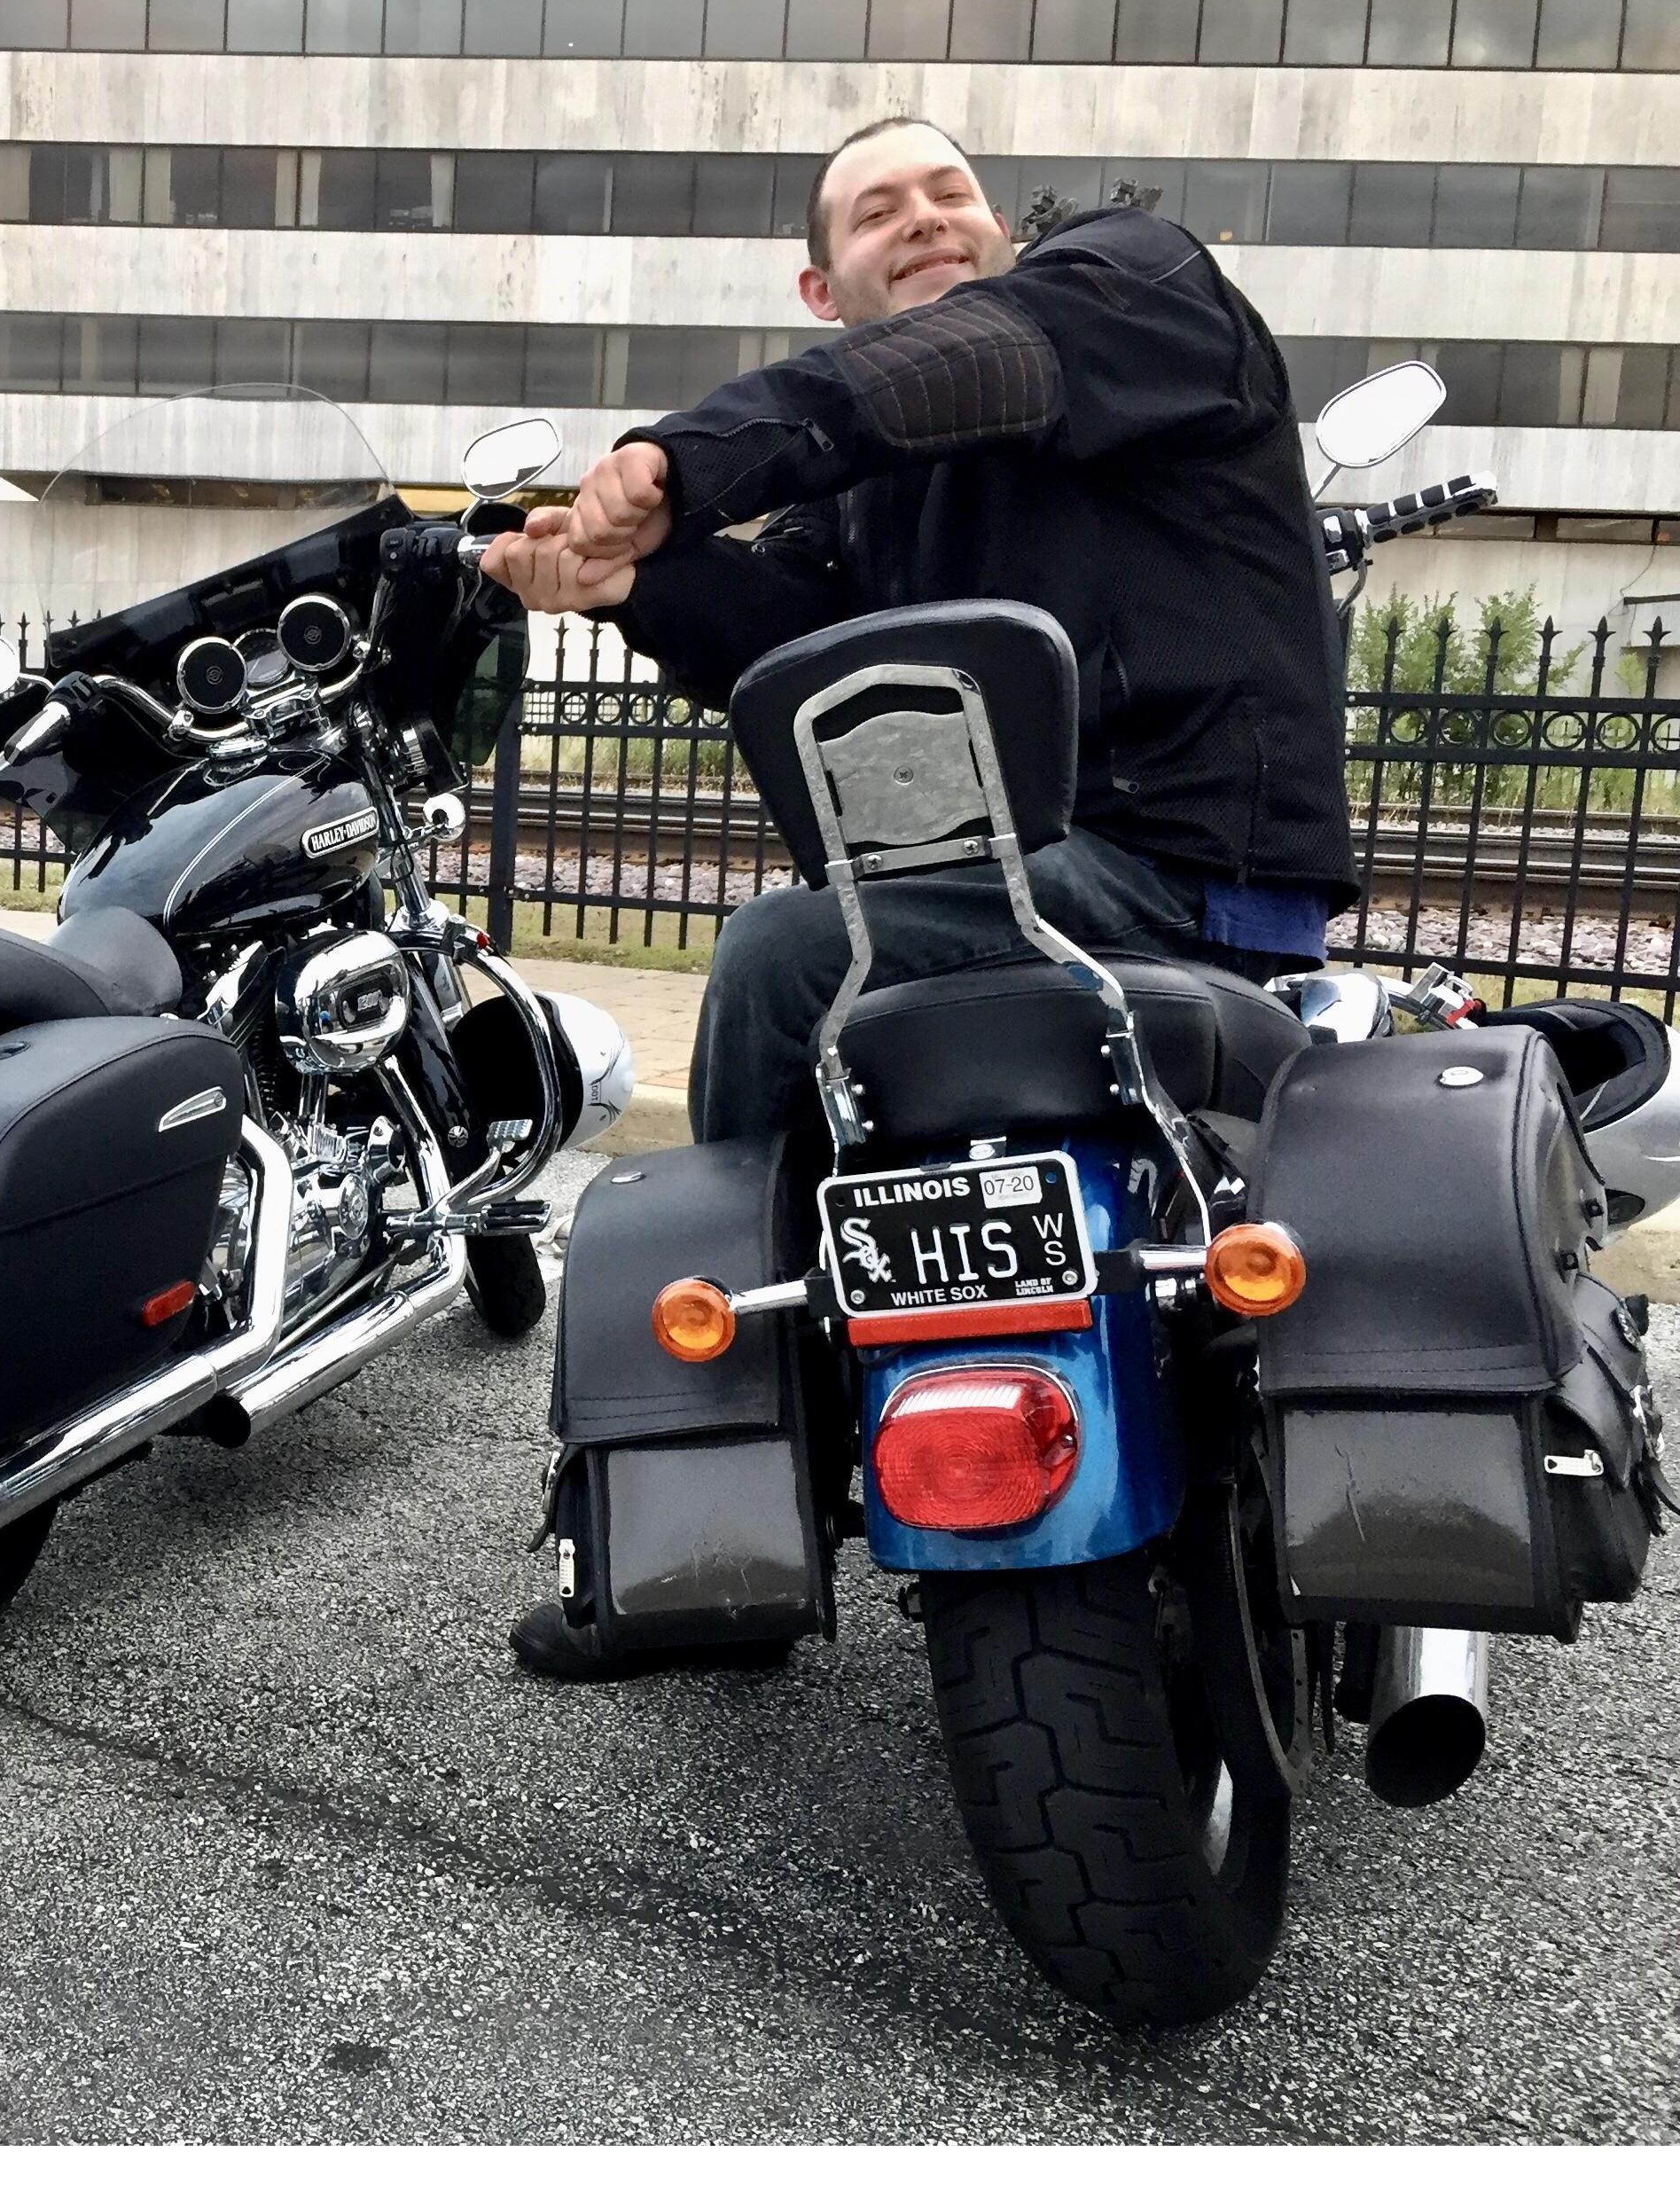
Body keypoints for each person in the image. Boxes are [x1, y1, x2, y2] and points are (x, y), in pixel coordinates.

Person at [484, 116, 1357, 1679]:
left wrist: (685, 461)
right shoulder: (877, 494)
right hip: (1000, 890)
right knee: (814, 946)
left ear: (998, 235)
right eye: (875, 210)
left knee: (773, 951)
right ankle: (777, 1425)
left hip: (1174, 877)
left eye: (943, 191)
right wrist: (634, 581)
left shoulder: (1126, 292)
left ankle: (732, 1448)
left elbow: (940, 370)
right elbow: (784, 623)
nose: (923, 217)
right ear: (821, 286)